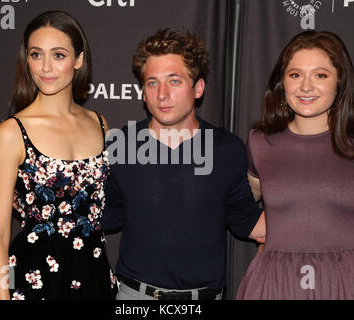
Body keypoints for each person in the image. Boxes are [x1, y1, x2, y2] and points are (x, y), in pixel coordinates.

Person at [103, 28, 266, 300]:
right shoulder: (121, 145)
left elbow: (246, 220)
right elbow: (104, 216)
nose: (162, 94)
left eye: (174, 81)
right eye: (152, 83)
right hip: (135, 298)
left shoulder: (226, 149)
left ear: (198, 88)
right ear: (143, 92)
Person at [0, 11, 117, 300]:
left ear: (78, 60)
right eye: (36, 54)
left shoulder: (100, 124)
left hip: (93, 278)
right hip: (32, 281)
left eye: (58, 55)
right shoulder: (12, 133)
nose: (45, 67)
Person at [237, 30, 354, 300]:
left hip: (344, 283)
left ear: (340, 82)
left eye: (320, 75)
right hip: (274, 284)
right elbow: (239, 204)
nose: (306, 86)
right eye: (295, 74)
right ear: (282, 83)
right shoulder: (260, 143)